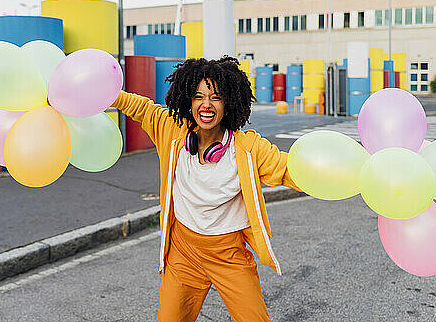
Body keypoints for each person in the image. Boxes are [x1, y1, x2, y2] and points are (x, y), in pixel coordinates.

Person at [112, 56, 300, 321]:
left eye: (216, 97)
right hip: (183, 251)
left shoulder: (247, 149)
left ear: (229, 103)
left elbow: (288, 169)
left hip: (228, 255)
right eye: (198, 96)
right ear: (188, 100)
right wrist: (107, 95)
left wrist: (336, 174)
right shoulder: (173, 132)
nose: (206, 105)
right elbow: (143, 109)